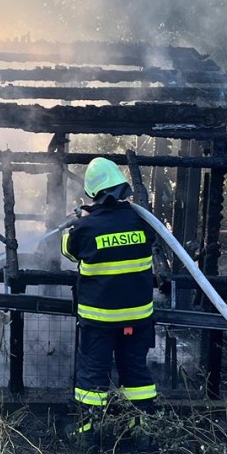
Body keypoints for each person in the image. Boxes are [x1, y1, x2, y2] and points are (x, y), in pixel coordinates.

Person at [61, 158, 159, 437]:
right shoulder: (142, 220)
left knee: (93, 371)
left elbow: (68, 250)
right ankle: (142, 427)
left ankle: (88, 429)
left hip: (100, 319)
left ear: (93, 191)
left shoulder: (85, 228)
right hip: (138, 318)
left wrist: (81, 221)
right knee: (135, 370)